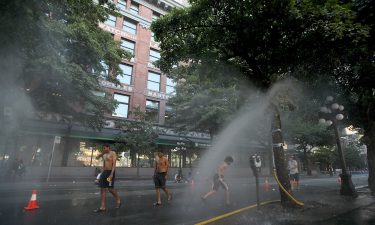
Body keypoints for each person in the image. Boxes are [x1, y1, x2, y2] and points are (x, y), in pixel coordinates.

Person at [93, 144, 121, 212]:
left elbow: (114, 164)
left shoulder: (113, 153)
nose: (104, 149)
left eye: (105, 148)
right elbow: (103, 165)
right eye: (103, 148)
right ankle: (102, 207)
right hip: (104, 172)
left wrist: (111, 174)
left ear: (109, 148)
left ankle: (118, 199)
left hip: (110, 173)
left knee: (110, 188)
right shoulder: (104, 155)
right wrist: (100, 176)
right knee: (102, 188)